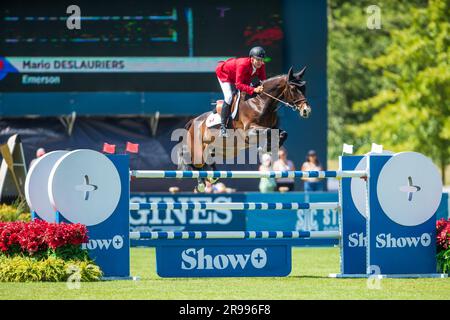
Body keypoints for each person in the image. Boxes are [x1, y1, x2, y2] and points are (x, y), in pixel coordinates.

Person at [215, 46, 267, 137]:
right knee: (229, 97)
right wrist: (254, 89)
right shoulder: (243, 64)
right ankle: (223, 128)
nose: (260, 62)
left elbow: (263, 80)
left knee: (248, 93)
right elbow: (238, 85)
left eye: (262, 60)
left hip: (241, 77)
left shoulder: (261, 65)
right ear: (251, 59)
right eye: (258, 60)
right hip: (225, 73)